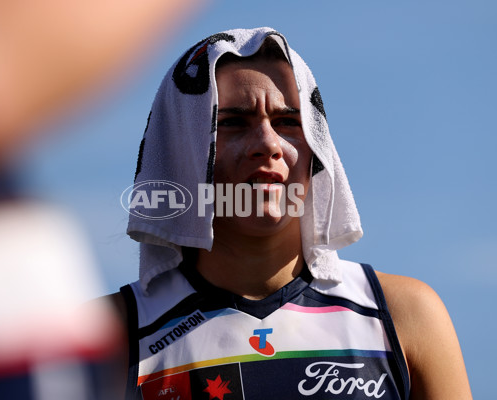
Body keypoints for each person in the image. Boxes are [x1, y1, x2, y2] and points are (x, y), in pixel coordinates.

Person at [111, 27, 472, 400]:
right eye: (232, 122)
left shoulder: (404, 315)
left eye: (288, 122)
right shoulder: (108, 338)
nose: (268, 144)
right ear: (178, 150)